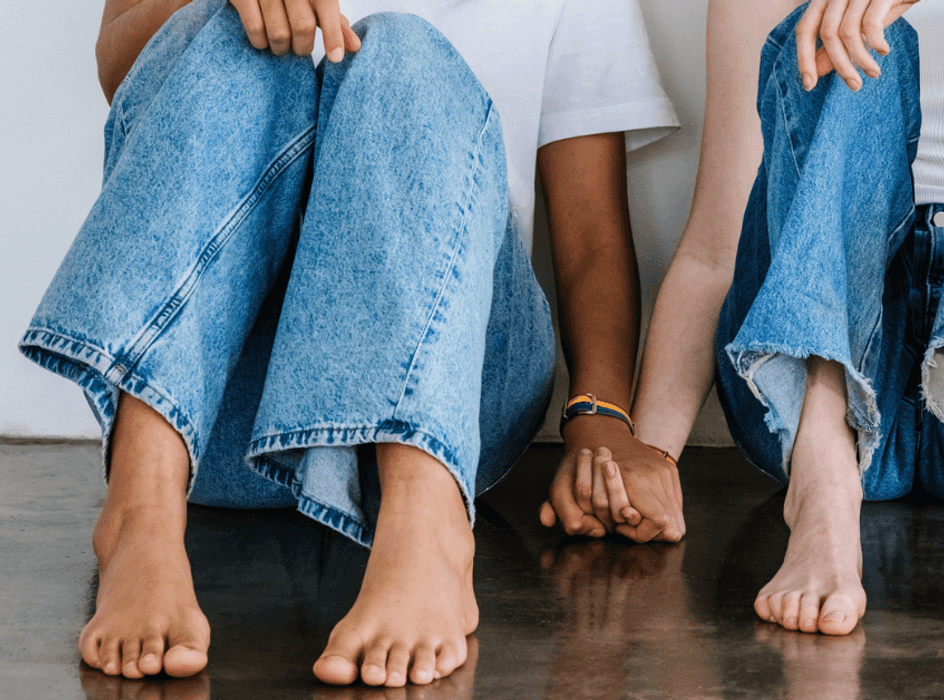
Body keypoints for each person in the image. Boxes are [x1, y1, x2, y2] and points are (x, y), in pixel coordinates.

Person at [20, 0, 677, 685]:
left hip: (454, 402)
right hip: (211, 414)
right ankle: (139, 515)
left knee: (403, 50)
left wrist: (601, 419)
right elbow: (130, 79)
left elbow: (591, 241)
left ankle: (426, 527)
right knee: (218, 26)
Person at [556, 0, 944, 646]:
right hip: (821, 392)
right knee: (832, 34)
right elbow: (713, 253)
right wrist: (645, 459)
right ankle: (821, 495)